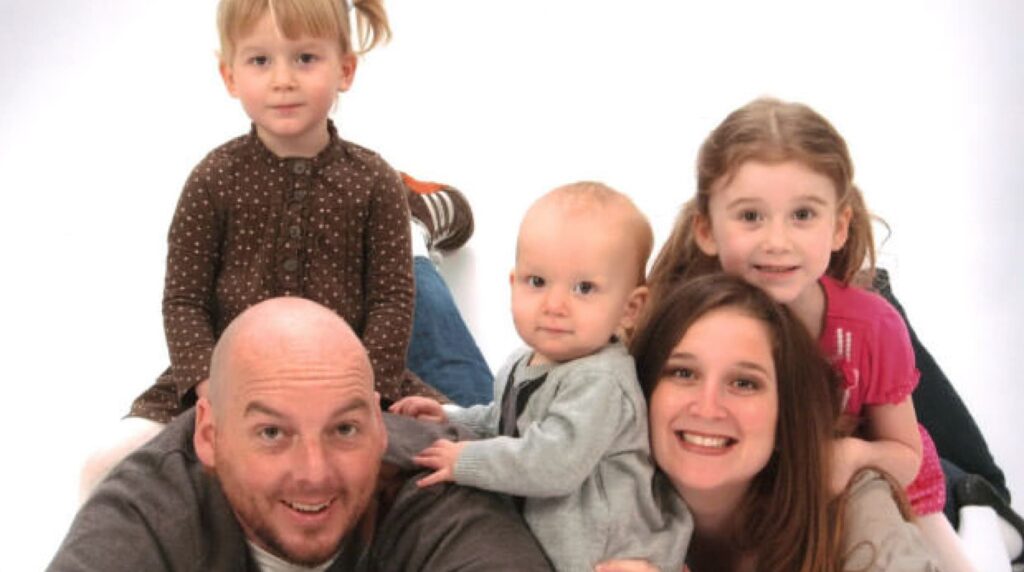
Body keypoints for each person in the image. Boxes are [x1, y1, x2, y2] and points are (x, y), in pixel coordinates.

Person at [645, 96, 1018, 570]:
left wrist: (849, 455)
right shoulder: (681, 315)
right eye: (750, 216)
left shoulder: (870, 325)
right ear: (706, 229)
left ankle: (982, 506)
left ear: (839, 226)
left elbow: (903, 452)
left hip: (883, 471)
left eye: (802, 215)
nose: (776, 241)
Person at [49, 297, 553, 571]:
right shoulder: (152, 502)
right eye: (272, 432)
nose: (314, 474)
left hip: (440, 412)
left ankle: (414, 241)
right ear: (209, 435)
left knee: (455, 358)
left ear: (378, 427)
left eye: (345, 429)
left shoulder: (435, 479)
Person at [131, 0, 444, 426]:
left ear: (345, 70)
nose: (283, 80)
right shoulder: (213, 178)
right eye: (260, 60)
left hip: (351, 379)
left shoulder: (374, 180)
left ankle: (425, 219)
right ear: (230, 76)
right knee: (112, 463)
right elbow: (185, 300)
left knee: (454, 445)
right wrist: (209, 386)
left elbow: (391, 301)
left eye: (306, 58)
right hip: (230, 379)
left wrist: (364, 389)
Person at [390, 183, 692, 571]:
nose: (554, 305)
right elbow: (504, 421)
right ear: (513, 284)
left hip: (613, 556)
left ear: (630, 309)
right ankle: (409, 244)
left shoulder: (602, 380)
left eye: (584, 288)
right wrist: (449, 416)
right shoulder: (525, 360)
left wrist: (467, 460)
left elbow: (554, 462)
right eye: (537, 282)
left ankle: (411, 241)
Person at [608, 273, 939, 571]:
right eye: (682, 373)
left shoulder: (852, 501)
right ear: (643, 394)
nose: (707, 409)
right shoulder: (589, 492)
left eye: (744, 383)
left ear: (786, 414)